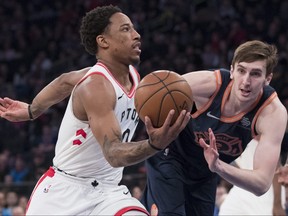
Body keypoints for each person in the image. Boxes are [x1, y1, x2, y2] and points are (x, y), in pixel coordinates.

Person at [1, 41, 287, 215]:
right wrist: (31, 110)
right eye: (241, 70)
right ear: (232, 68)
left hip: (206, 171)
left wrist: (219, 168)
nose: (246, 81)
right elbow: (149, 94)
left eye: (256, 74)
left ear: (268, 78)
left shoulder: (272, 113)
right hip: (169, 156)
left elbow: (262, 184)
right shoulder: (206, 84)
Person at [0, 5, 191, 215]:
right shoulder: (95, 87)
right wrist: (153, 144)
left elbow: (63, 82)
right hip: (63, 194)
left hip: (108, 192)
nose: (137, 35)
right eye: (126, 29)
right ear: (103, 41)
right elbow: (113, 153)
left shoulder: (134, 77)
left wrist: (31, 110)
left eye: (134, 29)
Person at [218, 139, 286, 215]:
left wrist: (277, 204)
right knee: (226, 211)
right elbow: (243, 166)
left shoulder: (262, 135)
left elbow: (275, 168)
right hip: (242, 189)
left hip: (265, 191)